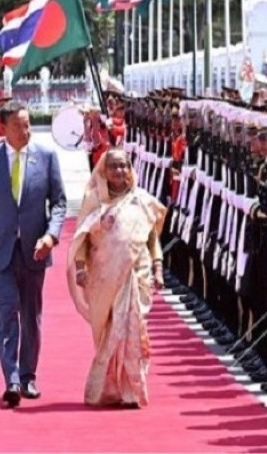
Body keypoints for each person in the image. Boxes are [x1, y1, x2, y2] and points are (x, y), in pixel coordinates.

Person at [0, 100, 67, 408]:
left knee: (30, 315)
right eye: (17, 126)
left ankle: (28, 376)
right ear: (3, 128)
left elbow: (60, 202)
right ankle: (11, 378)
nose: (25, 131)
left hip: (33, 252)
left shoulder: (47, 157)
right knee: (7, 310)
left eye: (27, 125)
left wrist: (51, 236)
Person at [66, 148, 166, 408]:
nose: (119, 171)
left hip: (136, 275)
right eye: (114, 166)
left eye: (124, 166)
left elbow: (152, 238)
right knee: (111, 332)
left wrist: (157, 268)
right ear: (103, 170)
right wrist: (80, 269)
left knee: (133, 329)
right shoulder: (94, 201)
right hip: (104, 277)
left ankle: (131, 391)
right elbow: (83, 240)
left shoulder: (142, 201)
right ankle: (107, 390)